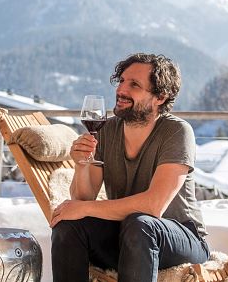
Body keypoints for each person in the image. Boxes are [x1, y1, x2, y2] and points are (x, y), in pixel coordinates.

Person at [51, 53, 210, 282]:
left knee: (140, 224)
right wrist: (81, 165)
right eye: (122, 81)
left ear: (160, 97)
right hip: (128, 236)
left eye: (134, 84)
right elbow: (83, 198)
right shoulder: (106, 130)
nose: (121, 90)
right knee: (69, 225)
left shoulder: (177, 132)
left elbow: (153, 206)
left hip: (181, 238)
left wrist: (84, 209)